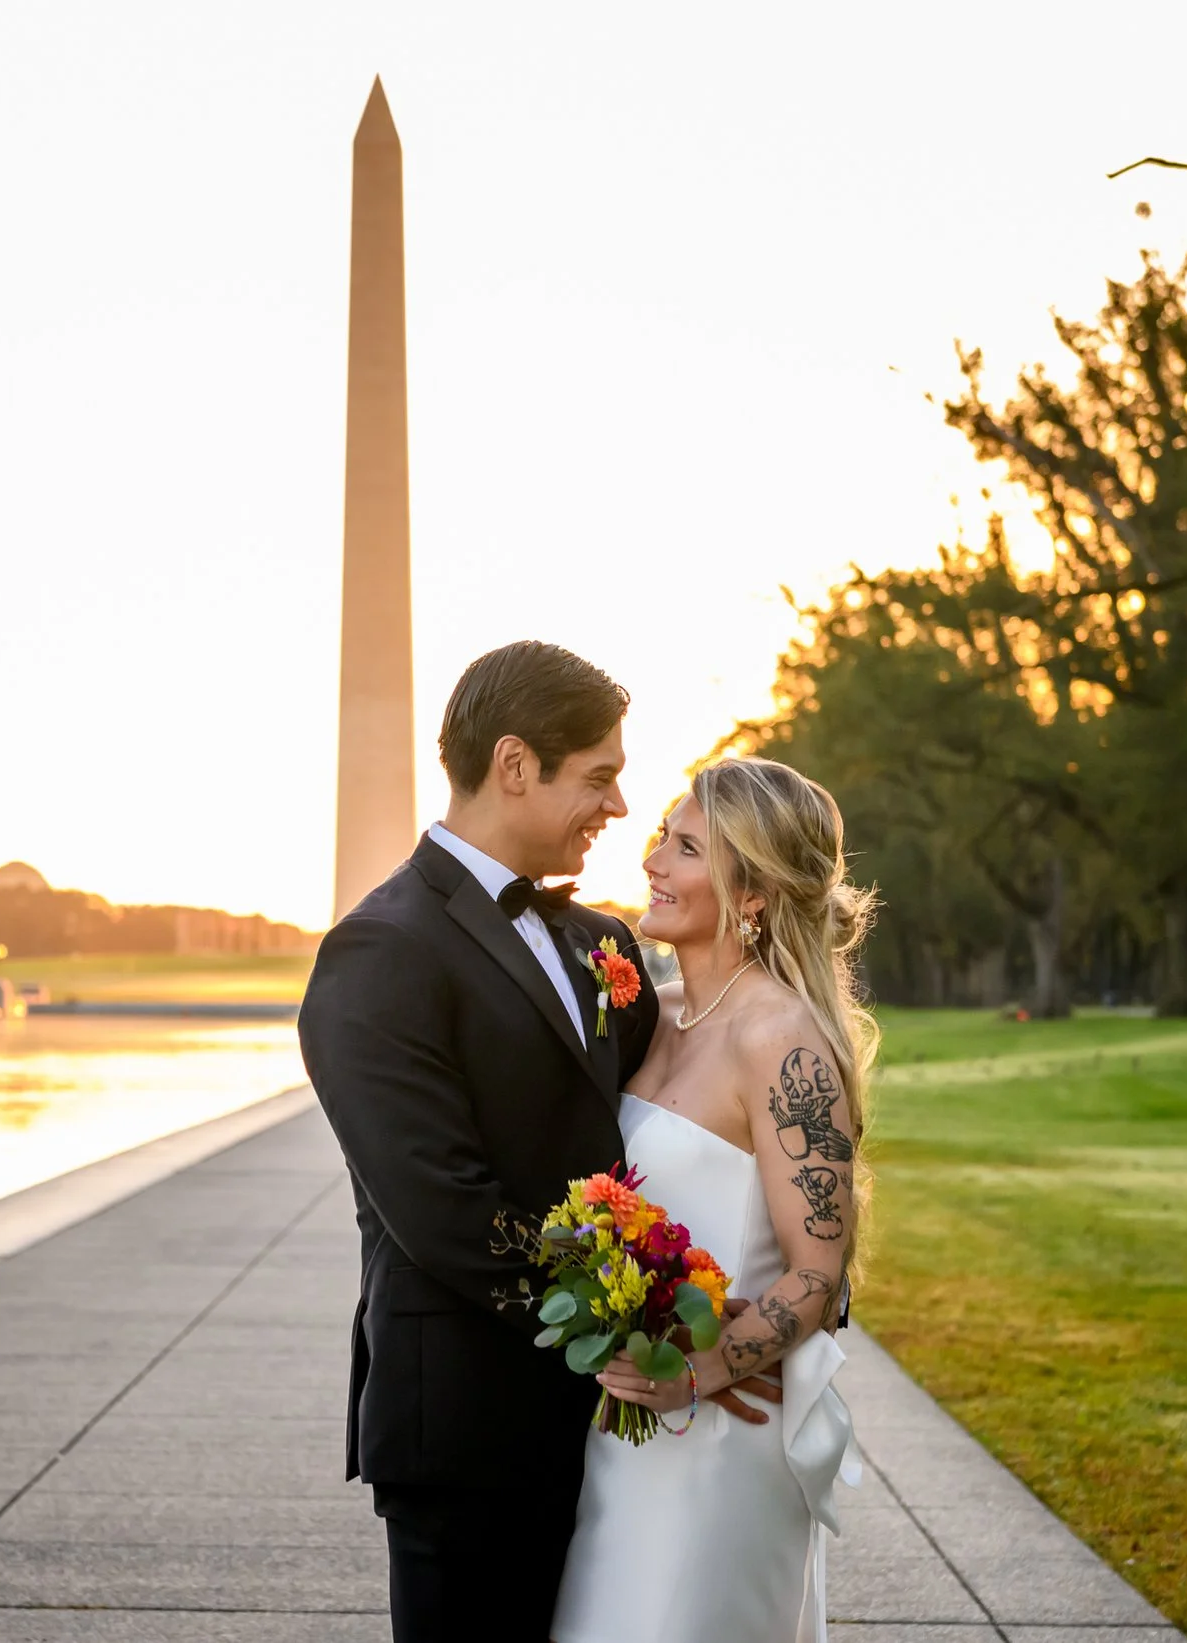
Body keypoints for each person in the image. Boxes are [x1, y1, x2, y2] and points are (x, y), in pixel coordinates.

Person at [300, 642, 778, 1643]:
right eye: (597, 776)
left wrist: (794, 1281)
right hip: (471, 1427)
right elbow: (444, 1206)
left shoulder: (600, 941)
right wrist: (656, 1320)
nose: (615, 806)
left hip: (623, 1430)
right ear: (514, 764)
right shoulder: (378, 950)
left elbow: (695, 1111)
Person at [553, 756, 874, 1643]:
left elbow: (818, 1269)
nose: (653, 857)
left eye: (686, 845)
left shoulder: (782, 1039)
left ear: (755, 892)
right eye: (663, 833)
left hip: (719, 1439)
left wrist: (699, 1370)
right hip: (618, 1428)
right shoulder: (650, 1015)